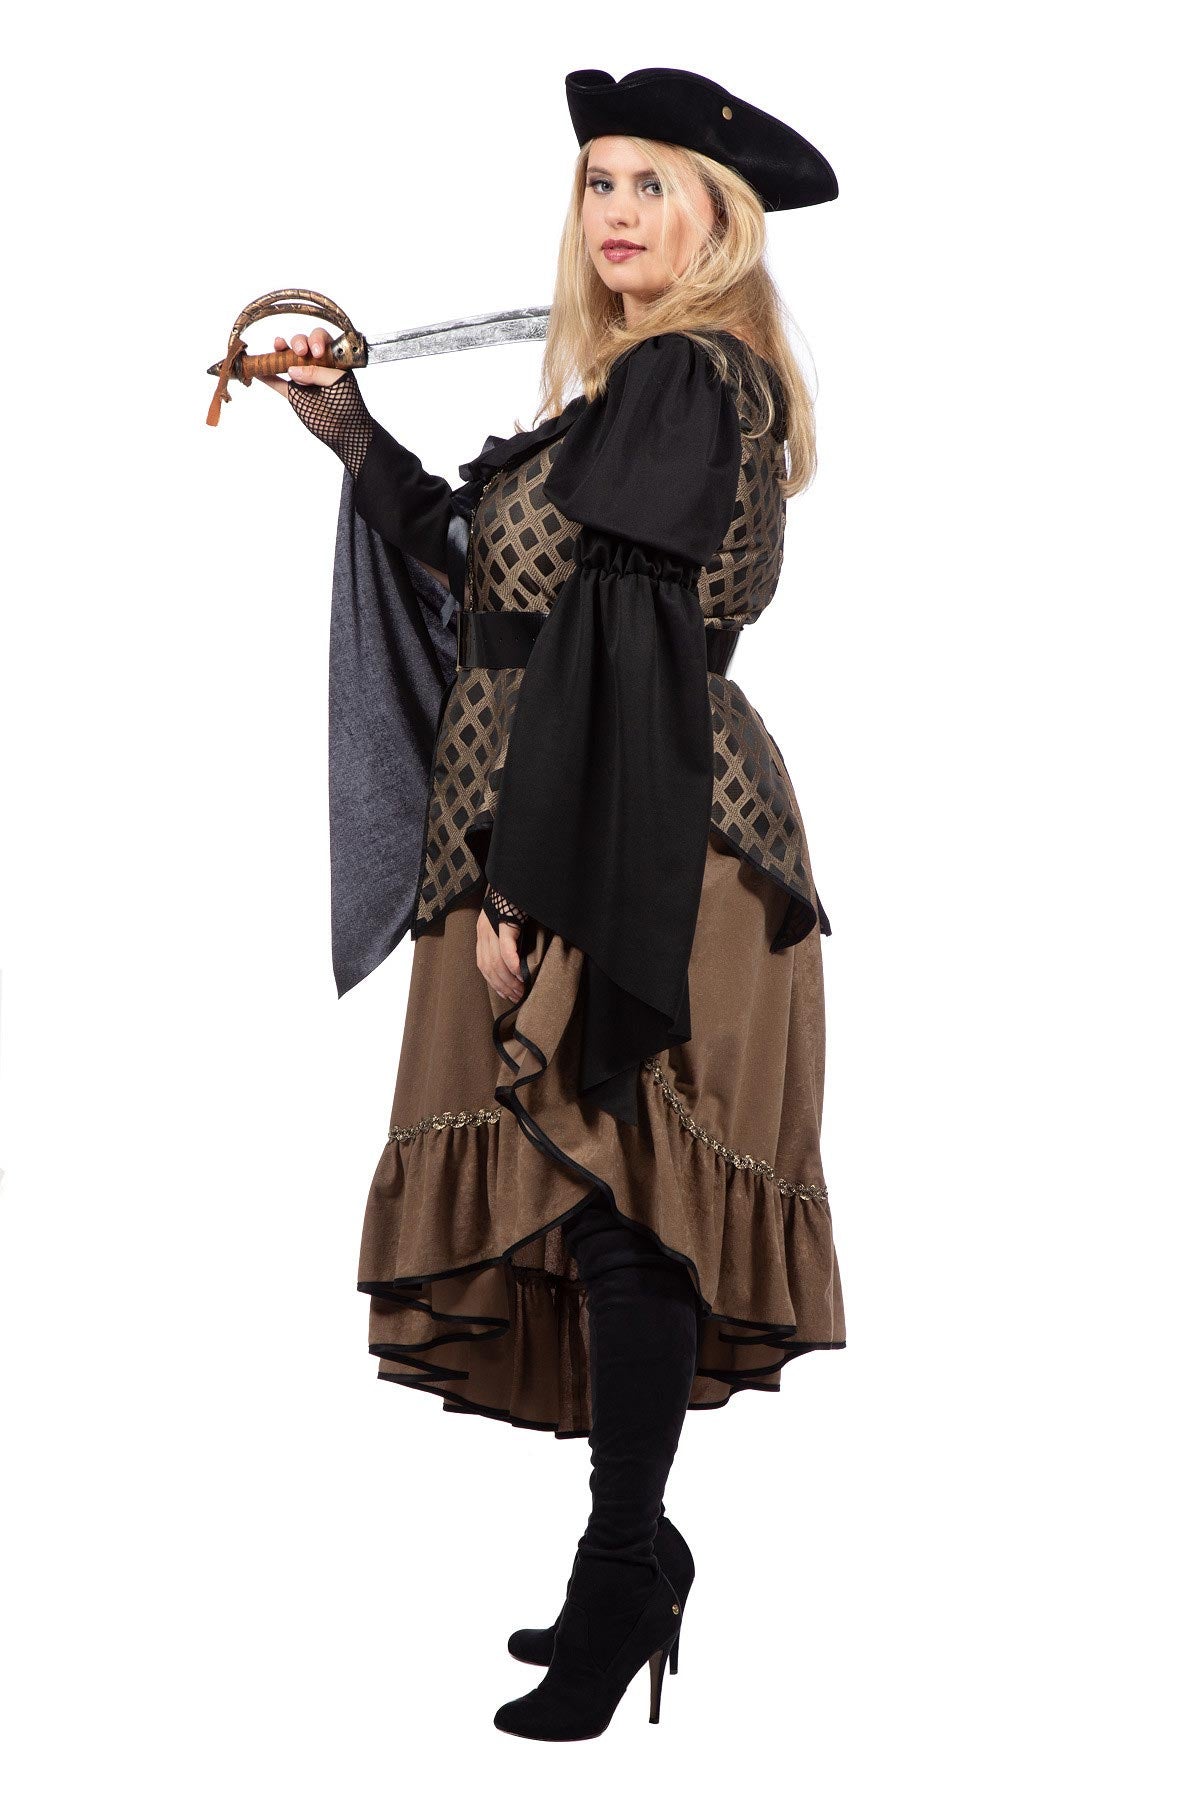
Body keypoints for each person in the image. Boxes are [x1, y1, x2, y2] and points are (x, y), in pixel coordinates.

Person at [257, 65, 847, 1741]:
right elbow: (490, 583)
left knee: (621, 1206)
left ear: (720, 219)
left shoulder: (685, 377)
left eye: (654, 183)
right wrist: (350, 434)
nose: (617, 212)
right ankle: (635, 1559)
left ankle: (620, 1576)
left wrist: (532, 876)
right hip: (559, 819)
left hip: (636, 834)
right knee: (600, 1210)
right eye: (599, 182)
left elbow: (619, 639)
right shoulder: (624, 394)